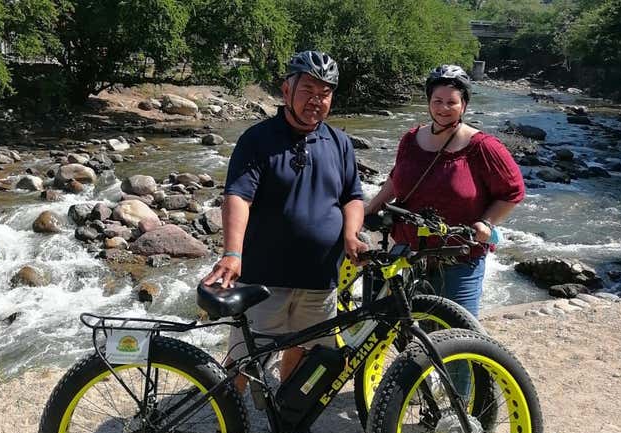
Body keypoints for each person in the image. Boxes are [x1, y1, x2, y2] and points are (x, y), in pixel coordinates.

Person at [202, 51, 367, 407]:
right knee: (244, 359)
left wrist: (352, 235)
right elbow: (238, 197)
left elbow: (352, 197)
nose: (316, 100)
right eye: (308, 90)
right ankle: (226, 422)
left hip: (320, 279)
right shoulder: (258, 139)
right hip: (264, 278)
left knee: (305, 351)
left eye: (325, 93)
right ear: (286, 89)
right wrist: (232, 253)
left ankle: (286, 410)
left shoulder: (339, 143)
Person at [364, 64, 525, 318]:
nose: (443, 108)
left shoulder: (483, 147)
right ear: (429, 102)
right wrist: (372, 207)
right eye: (437, 101)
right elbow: (397, 177)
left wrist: (487, 222)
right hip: (409, 257)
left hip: (459, 259)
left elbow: (512, 191)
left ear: (464, 105)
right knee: (414, 331)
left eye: (452, 102)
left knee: (459, 332)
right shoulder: (410, 139)